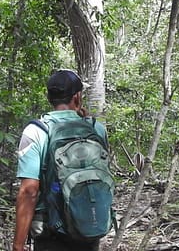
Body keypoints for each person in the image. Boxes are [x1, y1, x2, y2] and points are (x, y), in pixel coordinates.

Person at [13, 69, 109, 251]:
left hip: (51, 229)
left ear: (49, 98)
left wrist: (18, 244)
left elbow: (29, 191)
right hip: (90, 223)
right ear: (77, 97)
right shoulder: (97, 129)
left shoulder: (36, 131)